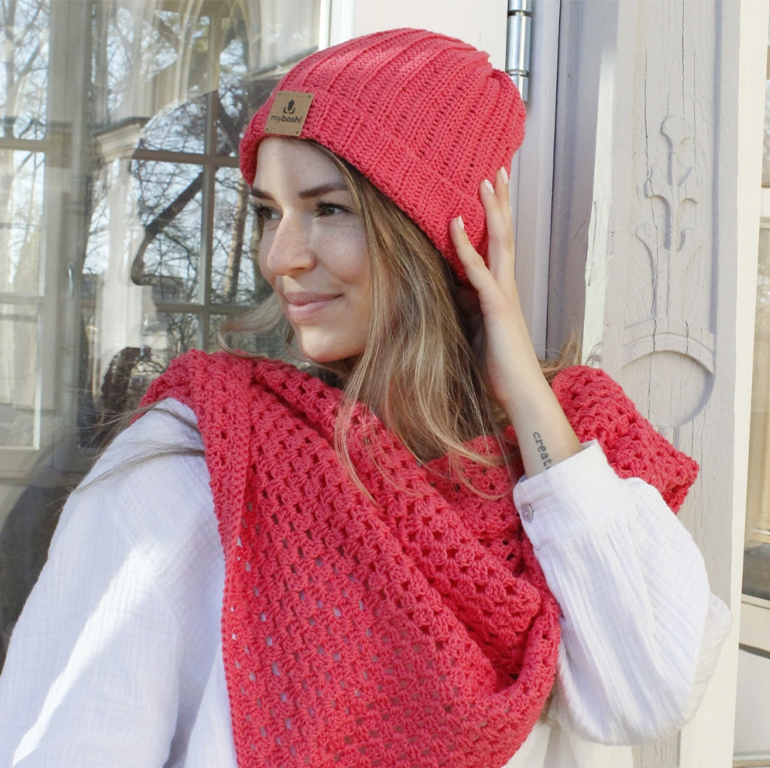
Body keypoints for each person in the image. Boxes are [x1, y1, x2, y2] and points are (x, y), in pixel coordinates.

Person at [0, 28, 731, 768]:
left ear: (441, 235)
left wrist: (527, 397)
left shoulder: (570, 459)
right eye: (268, 212)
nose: (280, 256)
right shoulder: (198, 459)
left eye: (328, 209)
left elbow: (648, 691)